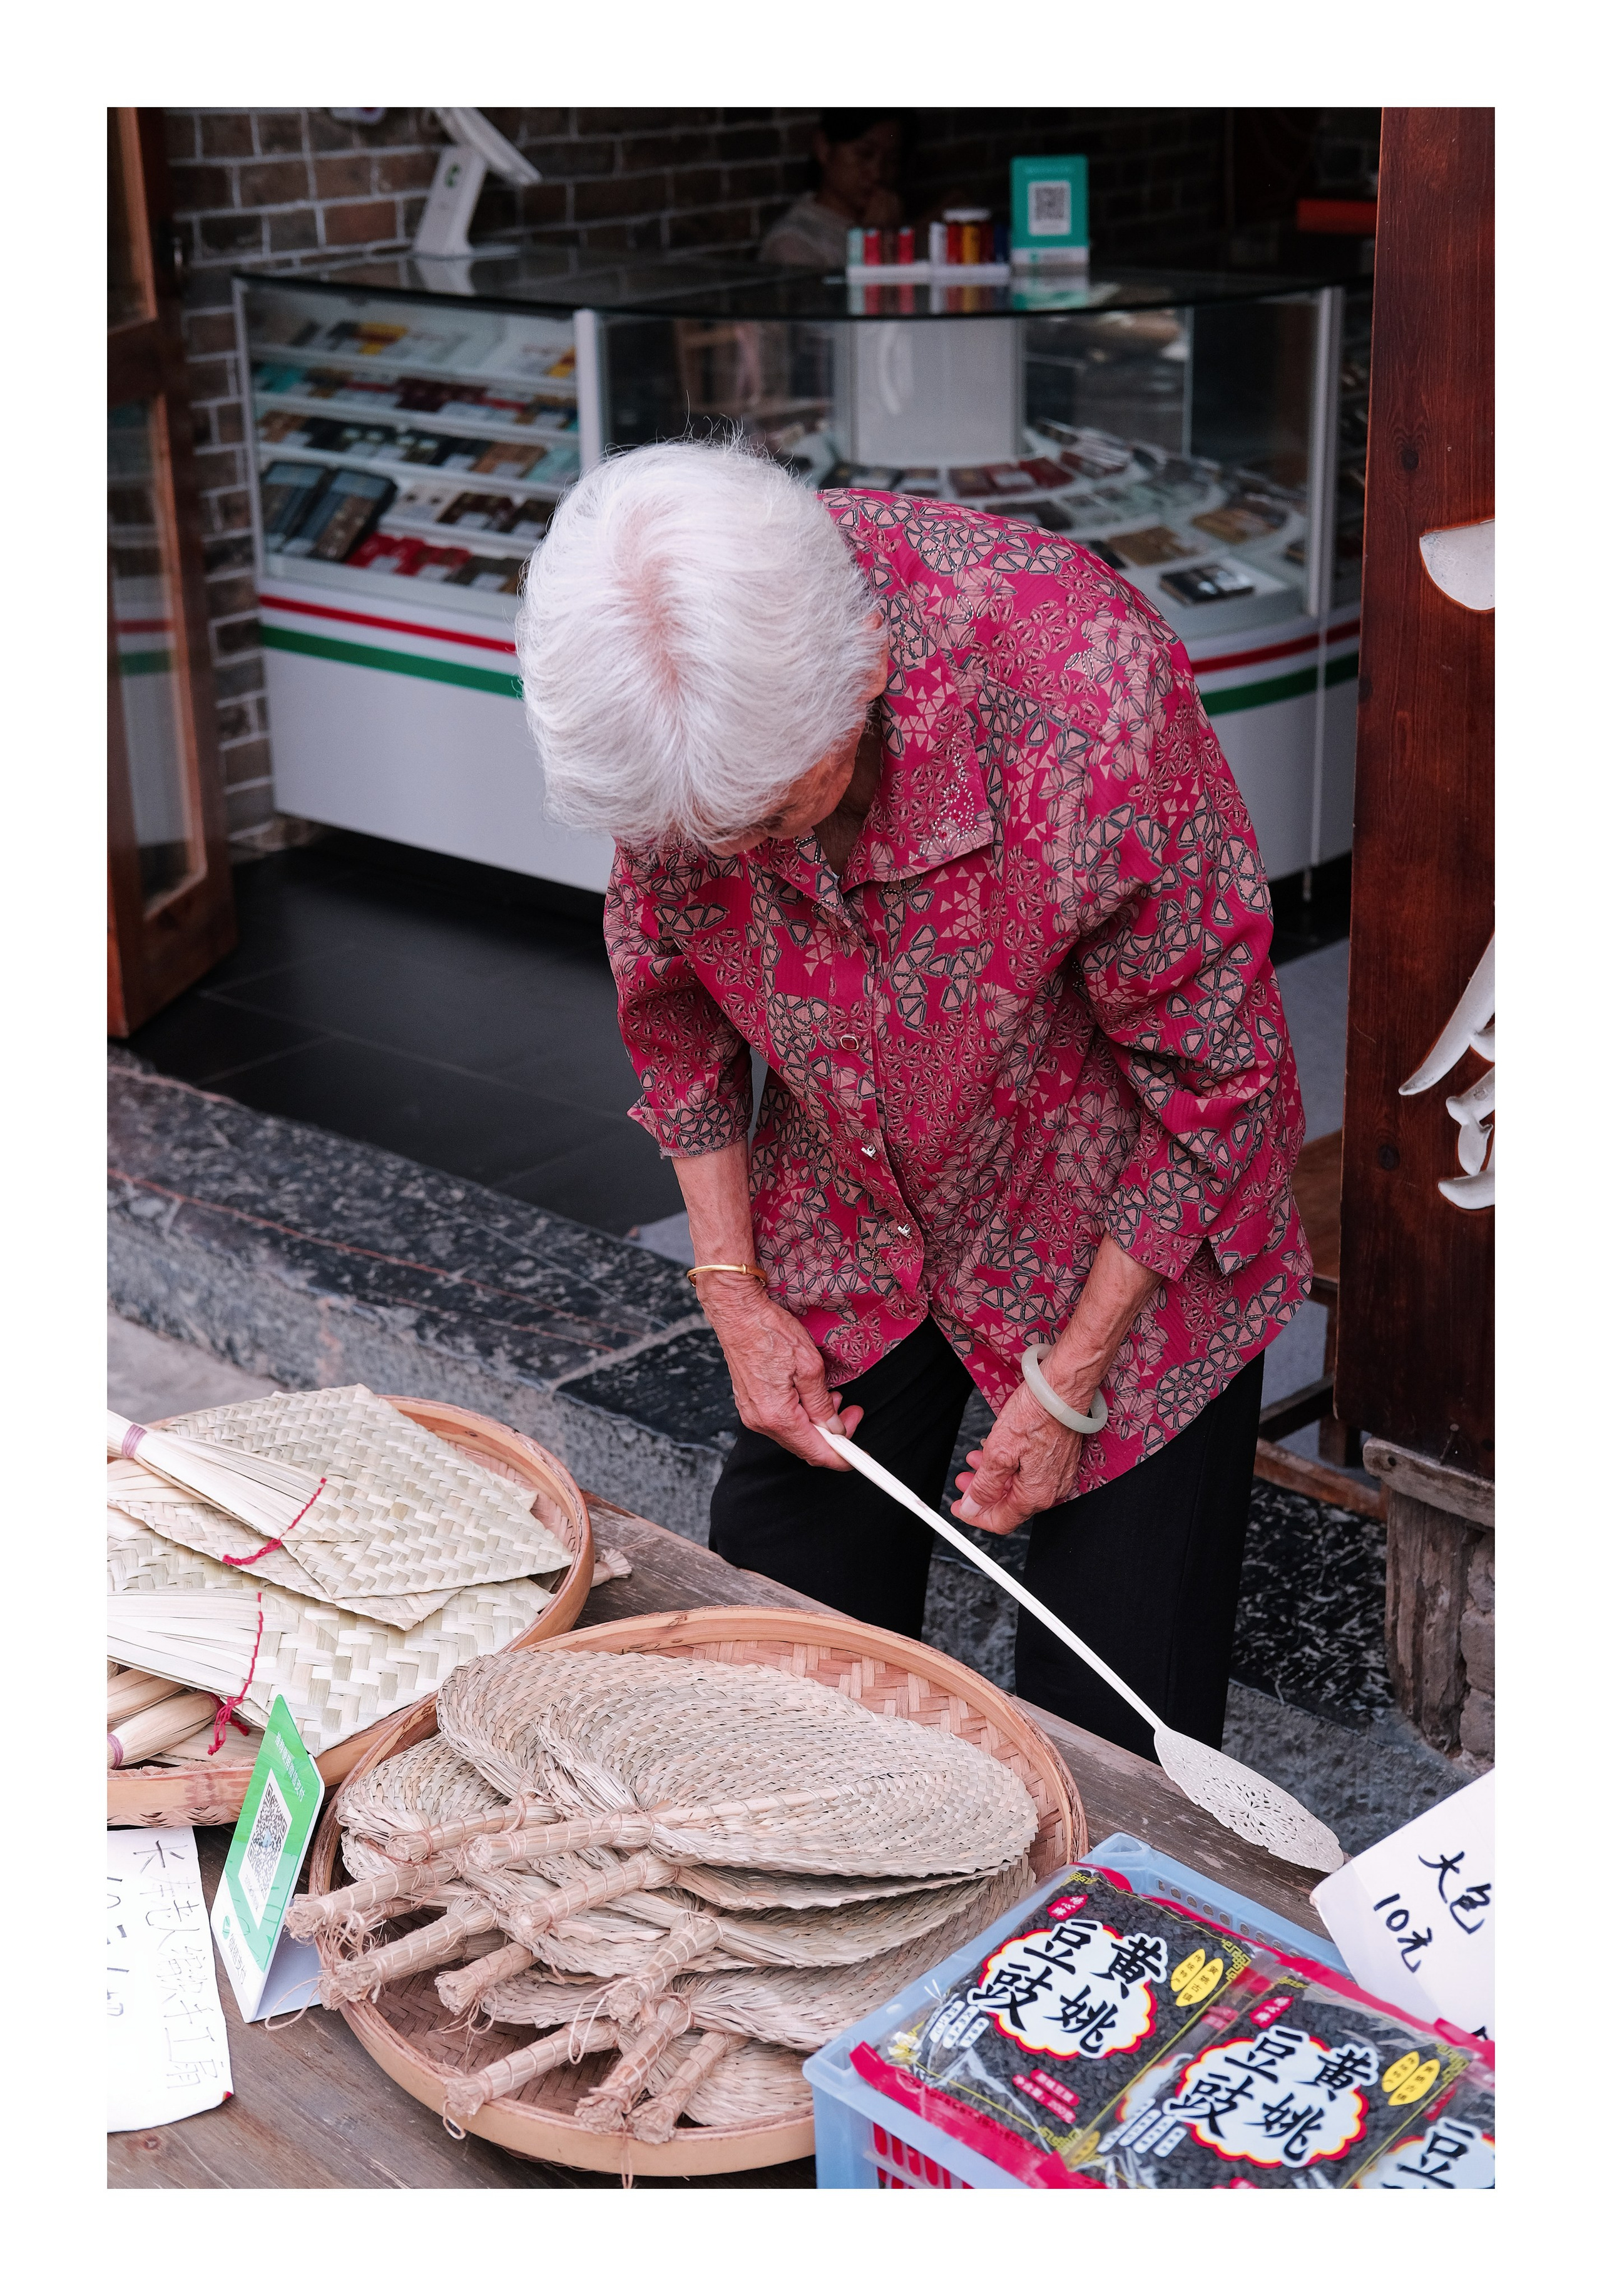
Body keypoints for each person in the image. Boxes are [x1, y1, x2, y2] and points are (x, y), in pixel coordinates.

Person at [516, 442, 1311, 1763]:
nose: (747, 860)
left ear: (865, 681)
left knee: (1112, 1737)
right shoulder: (674, 681)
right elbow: (671, 1012)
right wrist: (732, 1284)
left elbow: (1216, 1069)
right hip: (847, 1200)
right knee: (778, 1665)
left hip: (1116, 1209)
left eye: (777, 819)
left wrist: (1069, 1382)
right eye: (709, 838)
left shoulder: (1081, 688)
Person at [759, 110, 906, 270]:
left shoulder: (891, 219)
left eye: (892, 160)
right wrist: (875, 244)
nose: (877, 173)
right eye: (864, 154)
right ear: (824, 148)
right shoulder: (794, 242)